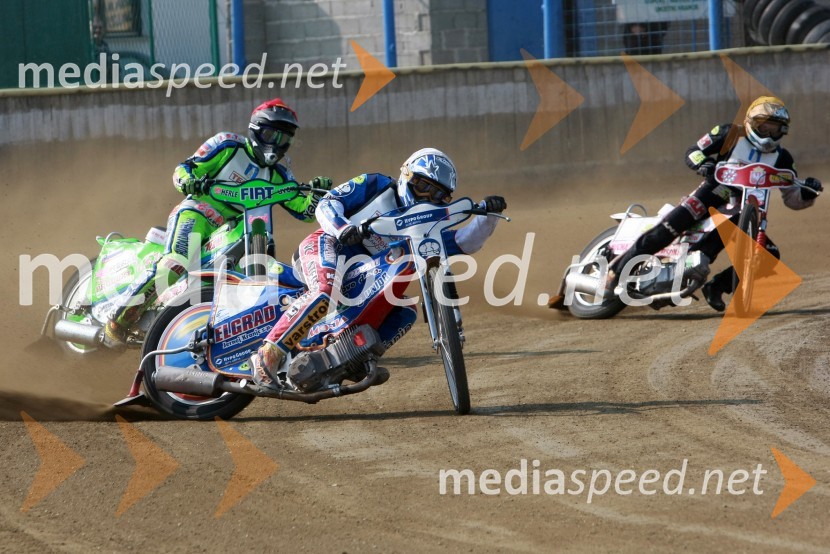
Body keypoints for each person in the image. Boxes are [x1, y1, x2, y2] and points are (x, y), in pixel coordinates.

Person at [249, 148, 508, 389]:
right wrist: (343, 228)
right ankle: (268, 354)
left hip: (364, 280)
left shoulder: (427, 232)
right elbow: (328, 202)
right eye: (422, 186)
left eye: (438, 195)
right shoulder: (375, 184)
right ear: (406, 176)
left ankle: (345, 362)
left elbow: (464, 242)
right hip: (327, 245)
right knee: (326, 289)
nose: (426, 197)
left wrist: (488, 218)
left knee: (405, 310)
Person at [104, 98, 332, 345]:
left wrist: (316, 194)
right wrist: (188, 181)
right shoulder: (227, 145)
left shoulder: (280, 175)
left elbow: (303, 211)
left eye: (283, 139)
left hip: (237, 227)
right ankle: (119, 318)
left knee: (260, 259)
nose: (276, 144)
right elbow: (185, 168)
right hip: (199, 212)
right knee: (177, 261)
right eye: (270, 134)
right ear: (255, 130)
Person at [607, 96, 823, 311]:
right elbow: (693, 152)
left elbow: (792, 197)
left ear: (782, 131)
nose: (768, 134)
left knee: (769, 254)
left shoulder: (783, 158)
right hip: (713, 191)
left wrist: (807, 192)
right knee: (671, 226)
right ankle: (615, 272)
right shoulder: (729, 134)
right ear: (751, 123)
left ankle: (716, 286)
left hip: (744, 208)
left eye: (774, 129)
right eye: (763, 127)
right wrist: (704, 164)